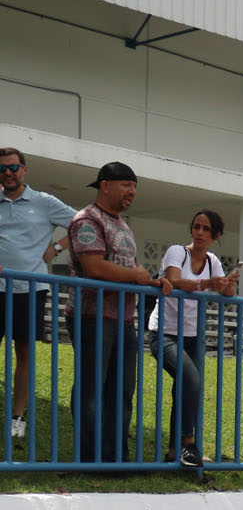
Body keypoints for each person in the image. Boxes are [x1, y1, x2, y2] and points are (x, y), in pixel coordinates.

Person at [66, 161, 171, 462]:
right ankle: (89, 458)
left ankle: (115, 458)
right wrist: (136, 277)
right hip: (92, 316)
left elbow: (132, 267)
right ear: (105, 185)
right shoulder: (87, 220)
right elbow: (94, 266)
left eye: (135, 187)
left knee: (122, 392)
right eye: (127, 185)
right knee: (92, 391)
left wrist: (151, 279)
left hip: (123, 320)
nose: (132, 192)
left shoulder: (123, 226)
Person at [149, 209, 238, 467]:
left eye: (205, 229)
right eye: (196, 227)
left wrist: (229, 282)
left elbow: (228, 293)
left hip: (192, 336)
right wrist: (207, 285)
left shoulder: (212, 261)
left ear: (216, 235)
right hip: (164, 332)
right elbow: (174, 281)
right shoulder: (178, 252)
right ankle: (188, 444)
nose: (199, 233)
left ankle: (173, 452)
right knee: (190, 379)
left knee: (186, 388)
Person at [0, 147, 76, 440]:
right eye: (3, 169)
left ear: (24, 170)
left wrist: (55, 249)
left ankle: (18, 416)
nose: (8, 173)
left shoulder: (44, 202)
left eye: (13, 167)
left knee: (24, 351)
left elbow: (82, 224)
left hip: (29, 289)